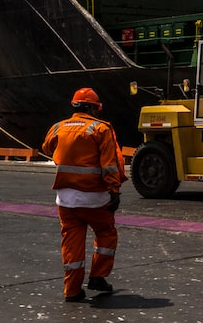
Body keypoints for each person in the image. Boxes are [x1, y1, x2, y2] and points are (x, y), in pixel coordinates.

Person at [41, 87, 128, 302]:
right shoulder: (101, 128)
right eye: (97, 108)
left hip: (65, 199)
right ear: (92, 107)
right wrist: (115, 190)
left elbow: (46, 147)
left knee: (71, 242)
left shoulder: (58, 127)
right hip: (94, 198)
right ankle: (98, 276)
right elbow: (110, 164)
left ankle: (72, 290)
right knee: (106, 233)